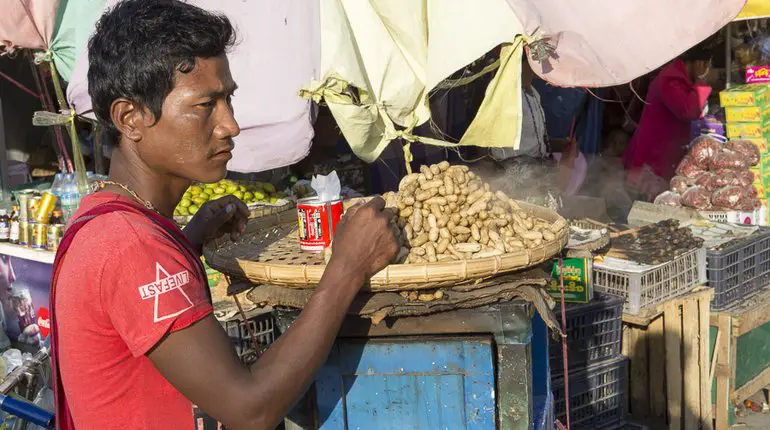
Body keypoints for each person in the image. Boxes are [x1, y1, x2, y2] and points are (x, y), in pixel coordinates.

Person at [51, 1, 399, 429]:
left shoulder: (114, 216)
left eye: (228, 99)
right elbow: (249, 410)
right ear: (131, 118)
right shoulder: (131, 243)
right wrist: (347, 268)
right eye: (205, 105)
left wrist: (189, 238)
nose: (231, 125)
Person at [623, 45, 713, 200]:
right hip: (653, 158)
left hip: (663, 155)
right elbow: (689, 111)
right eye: (706, 66)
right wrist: (701, 80)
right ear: (699, 64)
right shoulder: (670, 80)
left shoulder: (678, 79)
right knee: (649, 206)